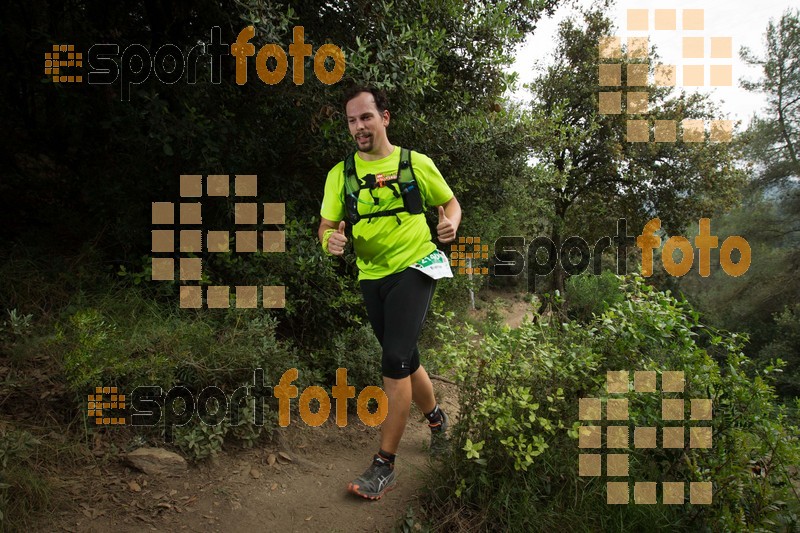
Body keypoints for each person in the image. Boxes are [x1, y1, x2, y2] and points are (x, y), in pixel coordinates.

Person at [318, 86, 462, 500]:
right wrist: (329, 241)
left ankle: (384, 465)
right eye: (351, 120)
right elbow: (326, 227)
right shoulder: (340, 174)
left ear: (385, 117)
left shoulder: (415, 163)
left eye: (366, 117)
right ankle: (436, 420)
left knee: (394, 359)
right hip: (371, 275)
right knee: (406, 356)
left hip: (416, 266)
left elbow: (451, 203)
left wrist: (450, 224)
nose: (359, 126)